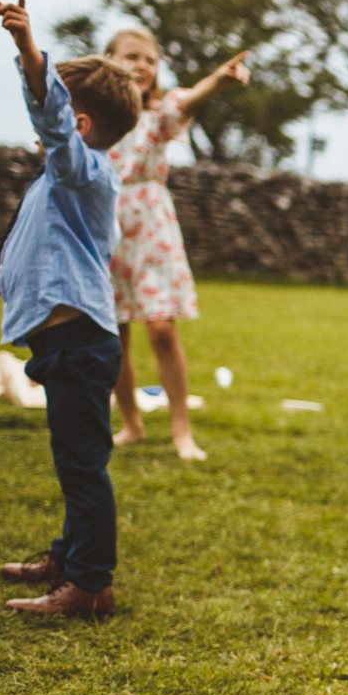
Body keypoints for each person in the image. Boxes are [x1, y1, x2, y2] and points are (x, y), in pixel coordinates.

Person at [0, 0, 144, 618]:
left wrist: (28, 49)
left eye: (58, 116)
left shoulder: (88, 171)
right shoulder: (62, 181)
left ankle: (90, 585)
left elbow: (49, 117)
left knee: (82, 464)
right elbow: (41, 239)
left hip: (80, 346)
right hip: (65, 344)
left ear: (77, 127)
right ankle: (68, 554)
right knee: (71, 456)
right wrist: (1, 273)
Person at [97, 30, 248, 461]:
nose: (143, 66)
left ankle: (182, 430)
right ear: (109, 61)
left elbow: (187, 101)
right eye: (132, 57)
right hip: (105, 225)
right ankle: (131, 424)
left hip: (150, 227)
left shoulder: (158, 113)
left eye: (150, 59)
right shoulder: (95, 115)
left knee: (161, 328)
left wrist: (218, 79)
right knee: (114, 335)